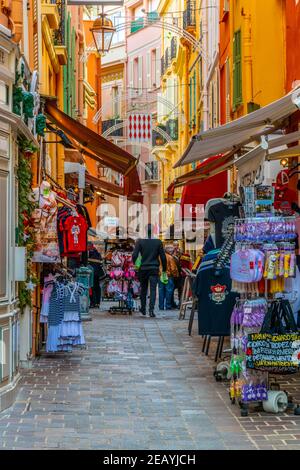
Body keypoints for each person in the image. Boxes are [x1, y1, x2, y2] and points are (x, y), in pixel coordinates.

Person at [132, 224, 167, 317]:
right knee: (153, 290)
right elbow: (163, 257)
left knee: (143, 290)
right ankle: (151, 310)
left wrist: (134, 264)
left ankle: (143, 309)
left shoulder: (140, 241)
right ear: (154, 231)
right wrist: (164, 269)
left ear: (144, 231)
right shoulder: (158, 242)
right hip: (154, 268)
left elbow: (134, 255)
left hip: (143, 268)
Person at [159, 245, 179, 311]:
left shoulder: (159, 257)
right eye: (171, 249)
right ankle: (168, 306)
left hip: (160, 276)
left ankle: (161, 306)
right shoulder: (170, 257)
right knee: (169, 291)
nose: (172, 250)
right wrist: (175, 275)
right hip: (169, 276)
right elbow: (173, 268)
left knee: (161, 291)